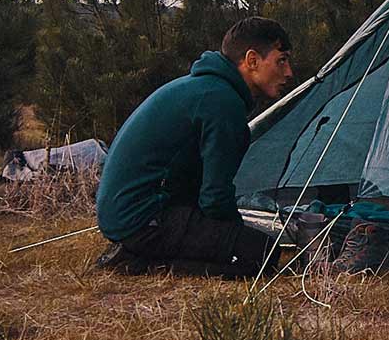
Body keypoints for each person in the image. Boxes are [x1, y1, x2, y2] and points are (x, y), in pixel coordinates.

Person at [93, 17, 295, 277]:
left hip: (129, 213)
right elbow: (214, 196)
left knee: (245, 244)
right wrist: (234, 234)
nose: (289, 72)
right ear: (252, 60)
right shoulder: (222, 102)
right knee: (262, 253)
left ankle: (140, 252)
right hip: (143, 219)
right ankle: (141, 262)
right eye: (281, 60)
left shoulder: (205, 88)